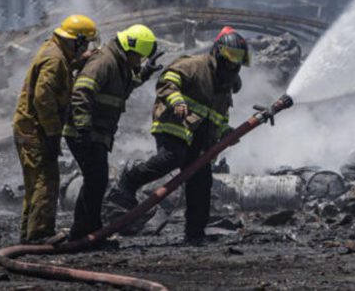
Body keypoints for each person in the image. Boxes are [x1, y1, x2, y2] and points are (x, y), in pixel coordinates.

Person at [108, 26, 248, 243]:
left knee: (202, 182)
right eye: (231, 56)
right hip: (174, 125)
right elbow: (167, 81)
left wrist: (225, 133)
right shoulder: (195, 65)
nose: (233, 63)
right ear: (218, 52)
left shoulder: (227, 84)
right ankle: (130, 179)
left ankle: (194, 234)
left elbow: (218, 117)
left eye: (238, 58)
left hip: (198, 136)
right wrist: (176, 100)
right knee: (172, 157)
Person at [63, 24, 163, 240]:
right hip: (85, 133)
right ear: (129, 49)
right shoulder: (104, 61)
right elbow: (81, 92)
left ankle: (87, 231)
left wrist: (144, 73)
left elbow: (120, 88)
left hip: (95, 133)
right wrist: (83, 127)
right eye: (139, 57)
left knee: (95, 181)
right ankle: (83, 233)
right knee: (96, 181)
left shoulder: (117, 63)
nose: (139, 61)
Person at [13, 14, 98, 243]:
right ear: (77, 40)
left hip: (28, 126)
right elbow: (43, 98)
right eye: (86, 43)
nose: (87, 47)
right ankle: (40, 235)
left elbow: (59, 74)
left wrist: (77, 63)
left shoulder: (55, 52)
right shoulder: (55, 59)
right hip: (35, 129)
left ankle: (28, 234)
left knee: (34, 183)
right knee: (45, 180)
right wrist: (52, 133)